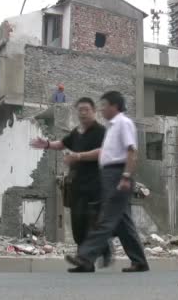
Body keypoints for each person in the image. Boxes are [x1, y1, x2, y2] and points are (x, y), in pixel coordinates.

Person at [65, 91, 149, 273]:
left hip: (118, 174)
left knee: (106, 219)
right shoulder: (112, 127)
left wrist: (126, 176)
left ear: (114, 106)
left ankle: (85, 257)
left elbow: (132, 151)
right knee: (123, 223)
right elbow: (103, 152)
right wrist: (78, 156)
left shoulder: (123, 123)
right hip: (109, 175)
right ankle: (140, 261)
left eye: (104, 105)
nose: (101, 109)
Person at [30, 97, 112, 271]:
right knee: (78, 225)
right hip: (77, 185)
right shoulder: (77, 132)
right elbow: (63, 143)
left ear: (94, 111)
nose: (82, 113)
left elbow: (103, 152)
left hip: (95, 185)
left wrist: (79, 156)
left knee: (91, 224)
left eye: (86, 110)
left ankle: (89, 257)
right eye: (80, 110)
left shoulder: (100, 131)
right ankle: (87, 261)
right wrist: (46, 144)